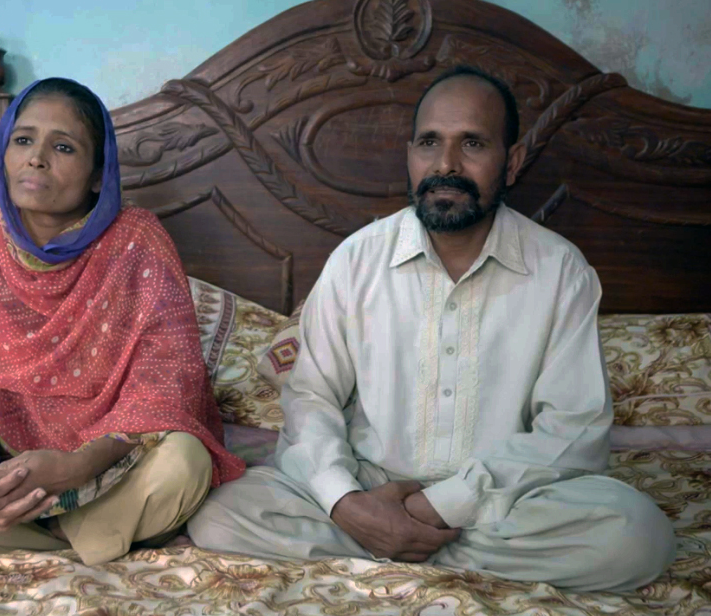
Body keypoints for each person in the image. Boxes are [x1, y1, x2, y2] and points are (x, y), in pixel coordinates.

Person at [187, 66, 675, 592]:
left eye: (472, 143)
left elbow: (572, 429)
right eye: (429, 143)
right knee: (220, 512)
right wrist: (348, 504)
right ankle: (407, 545)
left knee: (635, 533)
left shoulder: (560, 270)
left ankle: (395, 550)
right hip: (369, 487)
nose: (446, 164)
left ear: (510, 162)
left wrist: (439, 505)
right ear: (410, 156)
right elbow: (312, 398)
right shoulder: (357, 260)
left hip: (500, 501)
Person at [0, 77, 244, 566]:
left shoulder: (137, 244)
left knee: (184, 462)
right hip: (18, 485)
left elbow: (165, 387)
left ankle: (54, 541)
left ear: (99, 174)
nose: (36, 158)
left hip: (117, 464)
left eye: (64, 147)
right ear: (3, 155)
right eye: (24, 140)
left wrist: (75, 467)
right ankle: (87, 541)